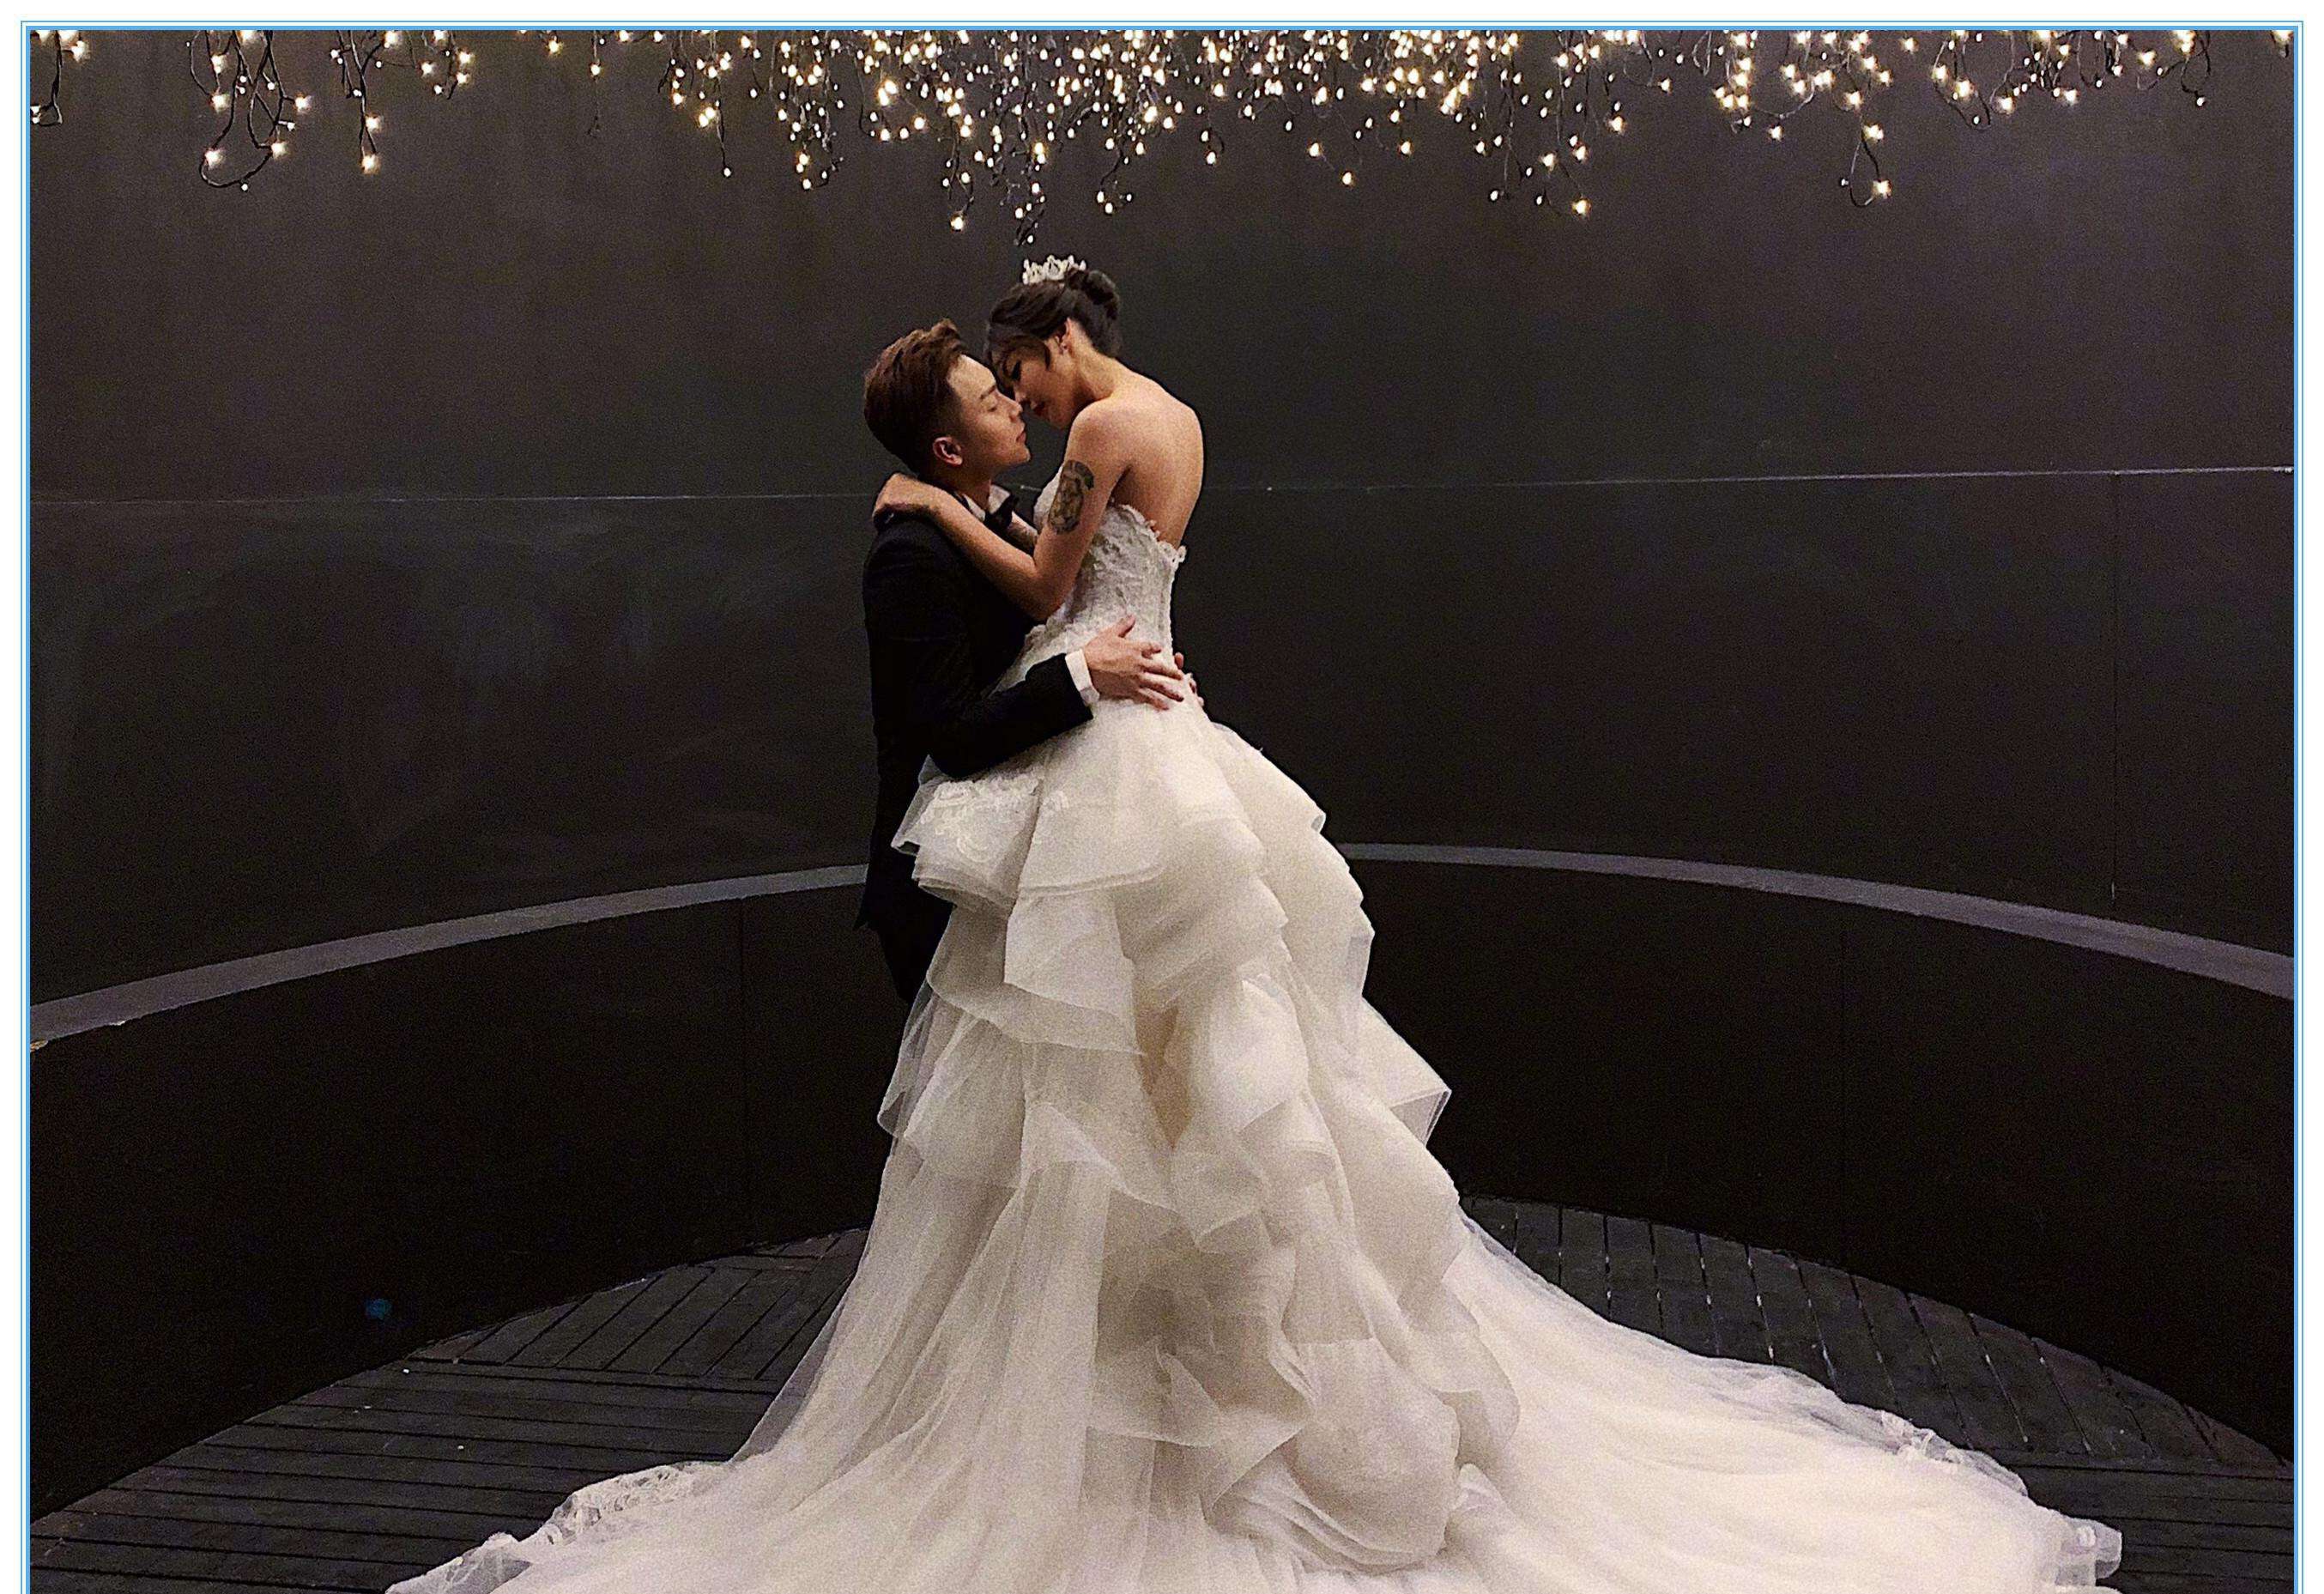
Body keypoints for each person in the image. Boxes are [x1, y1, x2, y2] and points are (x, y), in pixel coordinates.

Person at [390, 263, 2124, 1593]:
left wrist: (976, 552)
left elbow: (1053, 595)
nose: (1015, 397)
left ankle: (1163, 1428)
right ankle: (1131, 1406)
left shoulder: (1072, 452)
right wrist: (1014, 589)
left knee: (1139, 1090)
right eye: (992, 396)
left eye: (1014, 372)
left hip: (1111, 759)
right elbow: (1031, 643)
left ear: (1054, 349)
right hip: (1125, 747)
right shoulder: (1138, 438)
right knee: (1152, 1094)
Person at [853, 317, 1193, 1001]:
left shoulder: (991, 528)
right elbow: (951, 734)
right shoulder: (909, 558)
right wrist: (1085, 672)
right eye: (992, 401)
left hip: (1009, 866)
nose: (1015, 405)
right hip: (940, 886)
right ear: (949, 449)